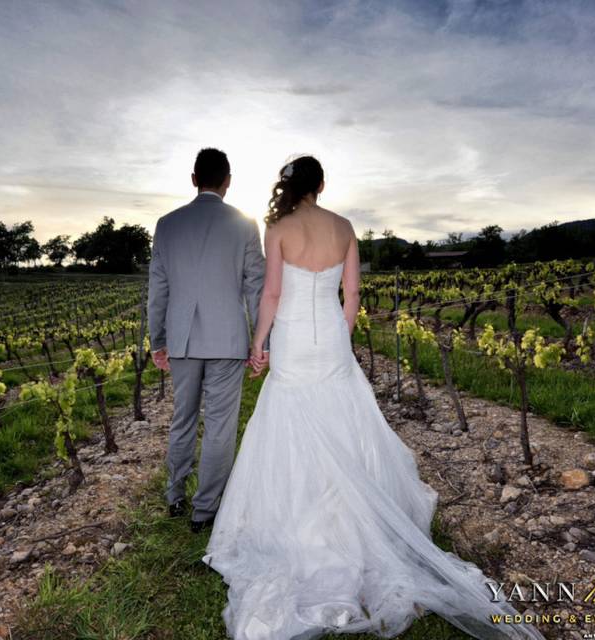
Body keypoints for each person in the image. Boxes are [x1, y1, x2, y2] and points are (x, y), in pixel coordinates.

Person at [201, 155, 545, 640]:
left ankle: (298, 527)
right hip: (332, 345)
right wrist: (339, 337)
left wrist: (260, 342)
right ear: (321, 184)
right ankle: (358, 526)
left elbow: (273, 295)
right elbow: (353, 293)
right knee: (345, 419)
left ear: (289, 187)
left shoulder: (278, 229)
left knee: (290, 421)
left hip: (295, 342)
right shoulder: (343, 227)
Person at [146, 147, 265, 532]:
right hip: (228, 340)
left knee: (182, 419)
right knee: (219, 426)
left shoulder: (167, 224)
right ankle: (205, 510)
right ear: (228, 181)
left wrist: (157, 339)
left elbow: (158, 289)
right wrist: (262, 340)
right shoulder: (245, 224)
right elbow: (256, 288)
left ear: (194, 179)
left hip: (180, 339)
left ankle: (174, 494)